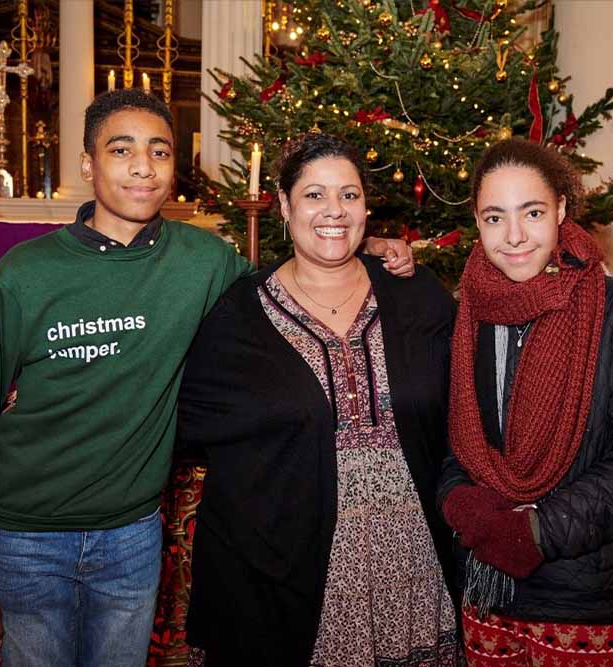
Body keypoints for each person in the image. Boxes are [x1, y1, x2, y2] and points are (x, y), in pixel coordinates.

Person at [0, 90, 413, 666]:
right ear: (88, 164)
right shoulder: (25, 273)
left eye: (159, 151)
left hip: (132, 536)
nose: (143, 166)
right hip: (25, 538)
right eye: (122, 150)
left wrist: (365, 247)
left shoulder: (204, 261)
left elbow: (291, 286)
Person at [177, 132, 460, 666]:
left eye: (349, 195)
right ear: (283, 204)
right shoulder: (239, 314)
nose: (334, 211)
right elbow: (187, 421)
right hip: (287, 569)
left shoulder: (416, 294)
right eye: (314, 195)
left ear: (366, 208)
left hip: (412, 564)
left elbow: (465, 408)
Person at [438, 139, 613, 667]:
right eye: (495, 216)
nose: (515, 235)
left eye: (533, 212)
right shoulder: (468, 312)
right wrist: (461, 504)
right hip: (486, 583)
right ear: (476, 219)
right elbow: (458, 441)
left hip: (585, 592)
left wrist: (536, 531)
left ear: (562, 210)